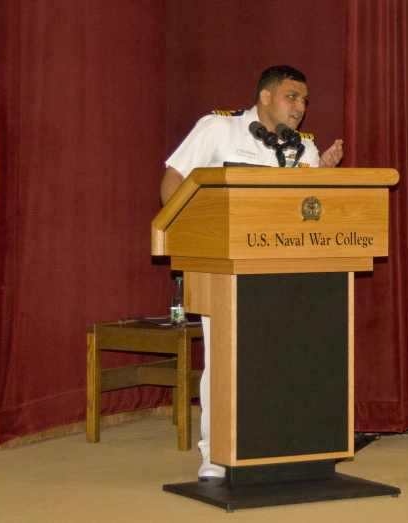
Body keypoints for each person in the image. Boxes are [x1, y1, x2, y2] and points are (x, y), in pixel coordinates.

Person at [160, 65, 344, 480]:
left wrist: (326, 179)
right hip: (222, 265)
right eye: (292, 97)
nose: (300, 107)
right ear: (265, 96)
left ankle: (282, 445)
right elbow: (173, 180)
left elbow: (309, 212)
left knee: (287, 358)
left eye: (305, 101)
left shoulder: (304, 150)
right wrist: (187, 236)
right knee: (224, 359)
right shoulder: (217, 130)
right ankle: (215, 453)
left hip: (285, 271)